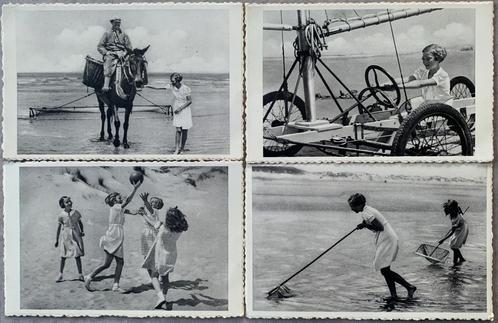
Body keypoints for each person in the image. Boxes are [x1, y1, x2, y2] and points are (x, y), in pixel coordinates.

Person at [348, 193, 416, 302]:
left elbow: (379, 227)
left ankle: (409, 287)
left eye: (352, 206)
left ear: (359, 204)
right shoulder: (367, 210)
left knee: (384, 269)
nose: (351, 209)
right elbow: (376, 227)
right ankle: (394, 295)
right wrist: (364, 225)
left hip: (387, 239)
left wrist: (365, 225)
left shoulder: (366, 213)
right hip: (388, 238)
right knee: (385, 269)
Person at [84, 181, 142, 292]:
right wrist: (135, 189)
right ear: (114, 200)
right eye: (119, 197)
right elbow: (128, 201)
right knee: (112, 263)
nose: (121, 198)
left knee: (111, 263)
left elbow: (130, 211)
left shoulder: (119, 208)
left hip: (116, 235)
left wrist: (138, 211)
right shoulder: (116, 207)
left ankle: (113, 285)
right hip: (114, 235)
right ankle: (91, 277)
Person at [142, 206, 188, 309]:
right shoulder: (179, 229)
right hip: (171, 255)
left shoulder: (163, 228)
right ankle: (165, 298)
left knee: (154, 276)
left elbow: (153, 222)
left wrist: (143, 214)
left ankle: (160, 297)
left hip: (161, 255)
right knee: (165, 278)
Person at [145, 73, 192, 154]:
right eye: (171, 81)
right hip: (176, 108)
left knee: (184, 130)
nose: (171, 82)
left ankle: (182, 148)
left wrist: (180, 108)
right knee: (178, 130)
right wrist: (147, 86)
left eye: (173, 81)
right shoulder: (171, 86)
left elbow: (190, 101)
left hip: (185, 109)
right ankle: (177, 149)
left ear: (178, 80)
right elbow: (158, 88)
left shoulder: (186, 88)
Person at [54, 196, 85, 282]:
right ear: (63, 204)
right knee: (63, 256)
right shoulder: (61, 215)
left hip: (75, 235)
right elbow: (59, 228)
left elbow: (80, 222)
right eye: (67, 202)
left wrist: (82, 231)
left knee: (77, 255)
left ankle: (80, 274)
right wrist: (56, 239)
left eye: (70, 201)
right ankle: (60, 274)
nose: (69, 203)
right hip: (66, 237)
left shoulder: (76, 213)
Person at [97, 18, 133, 92]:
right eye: (115, 23)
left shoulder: (124, 34)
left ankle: (135, 83)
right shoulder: (107, 33)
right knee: (108, 62)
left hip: (123, 54)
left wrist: (124, 53)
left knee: (133, 63)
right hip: (111, 54)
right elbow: (100, 46)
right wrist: (107, 52)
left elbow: (129, 47)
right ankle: (106, 85)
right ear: (112, 23)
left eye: (119, 23)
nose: (117, 24)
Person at [438, 200, 469, 266]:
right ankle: (459, 260)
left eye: (452, 209)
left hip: (462, 228)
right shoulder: (453, 214)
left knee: (454, 246)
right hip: (459, 226)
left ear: (454, 209)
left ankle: (457, 261)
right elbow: (459, 208)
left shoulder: (456, 218)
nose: (451, 211)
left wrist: (443, 240)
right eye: (450, 209)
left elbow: (452, 232)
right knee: (454, 245)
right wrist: (461, 213)